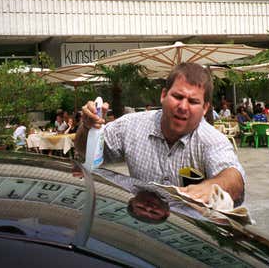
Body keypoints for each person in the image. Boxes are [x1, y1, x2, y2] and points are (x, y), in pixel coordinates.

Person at [76, 63, 245, 204]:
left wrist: (211, 187)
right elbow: (85, 151)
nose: (183, 107)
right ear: (163, 95)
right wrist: (87, 127)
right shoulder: (130, 125)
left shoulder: (211, 139)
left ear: (205, 108)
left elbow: (234, 177)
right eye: (178, 96)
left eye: (193, 101)